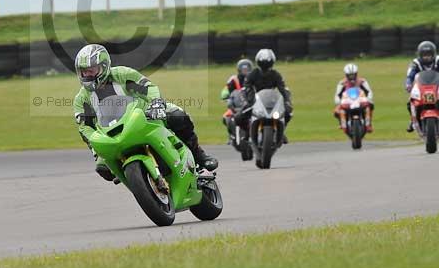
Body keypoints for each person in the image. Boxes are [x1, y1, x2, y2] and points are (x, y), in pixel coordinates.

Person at [72, 43, 218, 181]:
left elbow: (149, 88)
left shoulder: (122, 74)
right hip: (111, 133)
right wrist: (97, 148)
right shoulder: (81, 99)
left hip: (144, 115)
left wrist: (155, 104)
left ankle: (199, 155)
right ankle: (136, 180)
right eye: (83, 71)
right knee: (103, 168)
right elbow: (85, 128)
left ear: (104, 67)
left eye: (91, 70)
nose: (87, 75)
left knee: (177, 116)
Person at [241, 48, 293, 143]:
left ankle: (280, 132)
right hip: (256, 101)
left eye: (267, 63)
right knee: (240, 116)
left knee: (288, 113)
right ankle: (247, 134)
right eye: (263, 63)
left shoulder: (276, 75)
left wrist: (287, 101)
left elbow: (283, 88)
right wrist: (247, 101)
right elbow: (246, 87)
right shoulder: (253, 74)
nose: (265, 67)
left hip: (272, 101)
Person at [405, 41, 439, 133]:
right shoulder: (415, 63)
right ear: (420, 55)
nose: (426, 57)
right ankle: (412, 121)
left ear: (433, 54)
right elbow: (410, 76)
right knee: (410, 102)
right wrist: (408, 84)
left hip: (436, 85)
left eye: (429, 55)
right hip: (421, 86)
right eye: (424, 55)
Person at [333, 63, 375, 133]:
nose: (352, 77)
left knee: (370, 106)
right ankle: (341, 123)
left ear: (356, 74)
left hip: (360, 100)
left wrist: (369, 99)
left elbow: (369, 91)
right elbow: (337, 94)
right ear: (346, 75)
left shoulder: (362, 81)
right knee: (336, 111)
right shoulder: (342, 83)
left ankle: (369, 124)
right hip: (347, 101)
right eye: (350, 75)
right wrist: (338, 102)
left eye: (353, 75)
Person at [220, 58, 253, 140]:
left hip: (250, 104)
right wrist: (225, 96)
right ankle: (232, 136)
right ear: (239, 70)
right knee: (226, 117)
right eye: (243, 69)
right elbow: (226, 90)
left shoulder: (254, 79)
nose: (245, 71)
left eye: (247, 69)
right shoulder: (234, 79)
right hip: (236, 104)